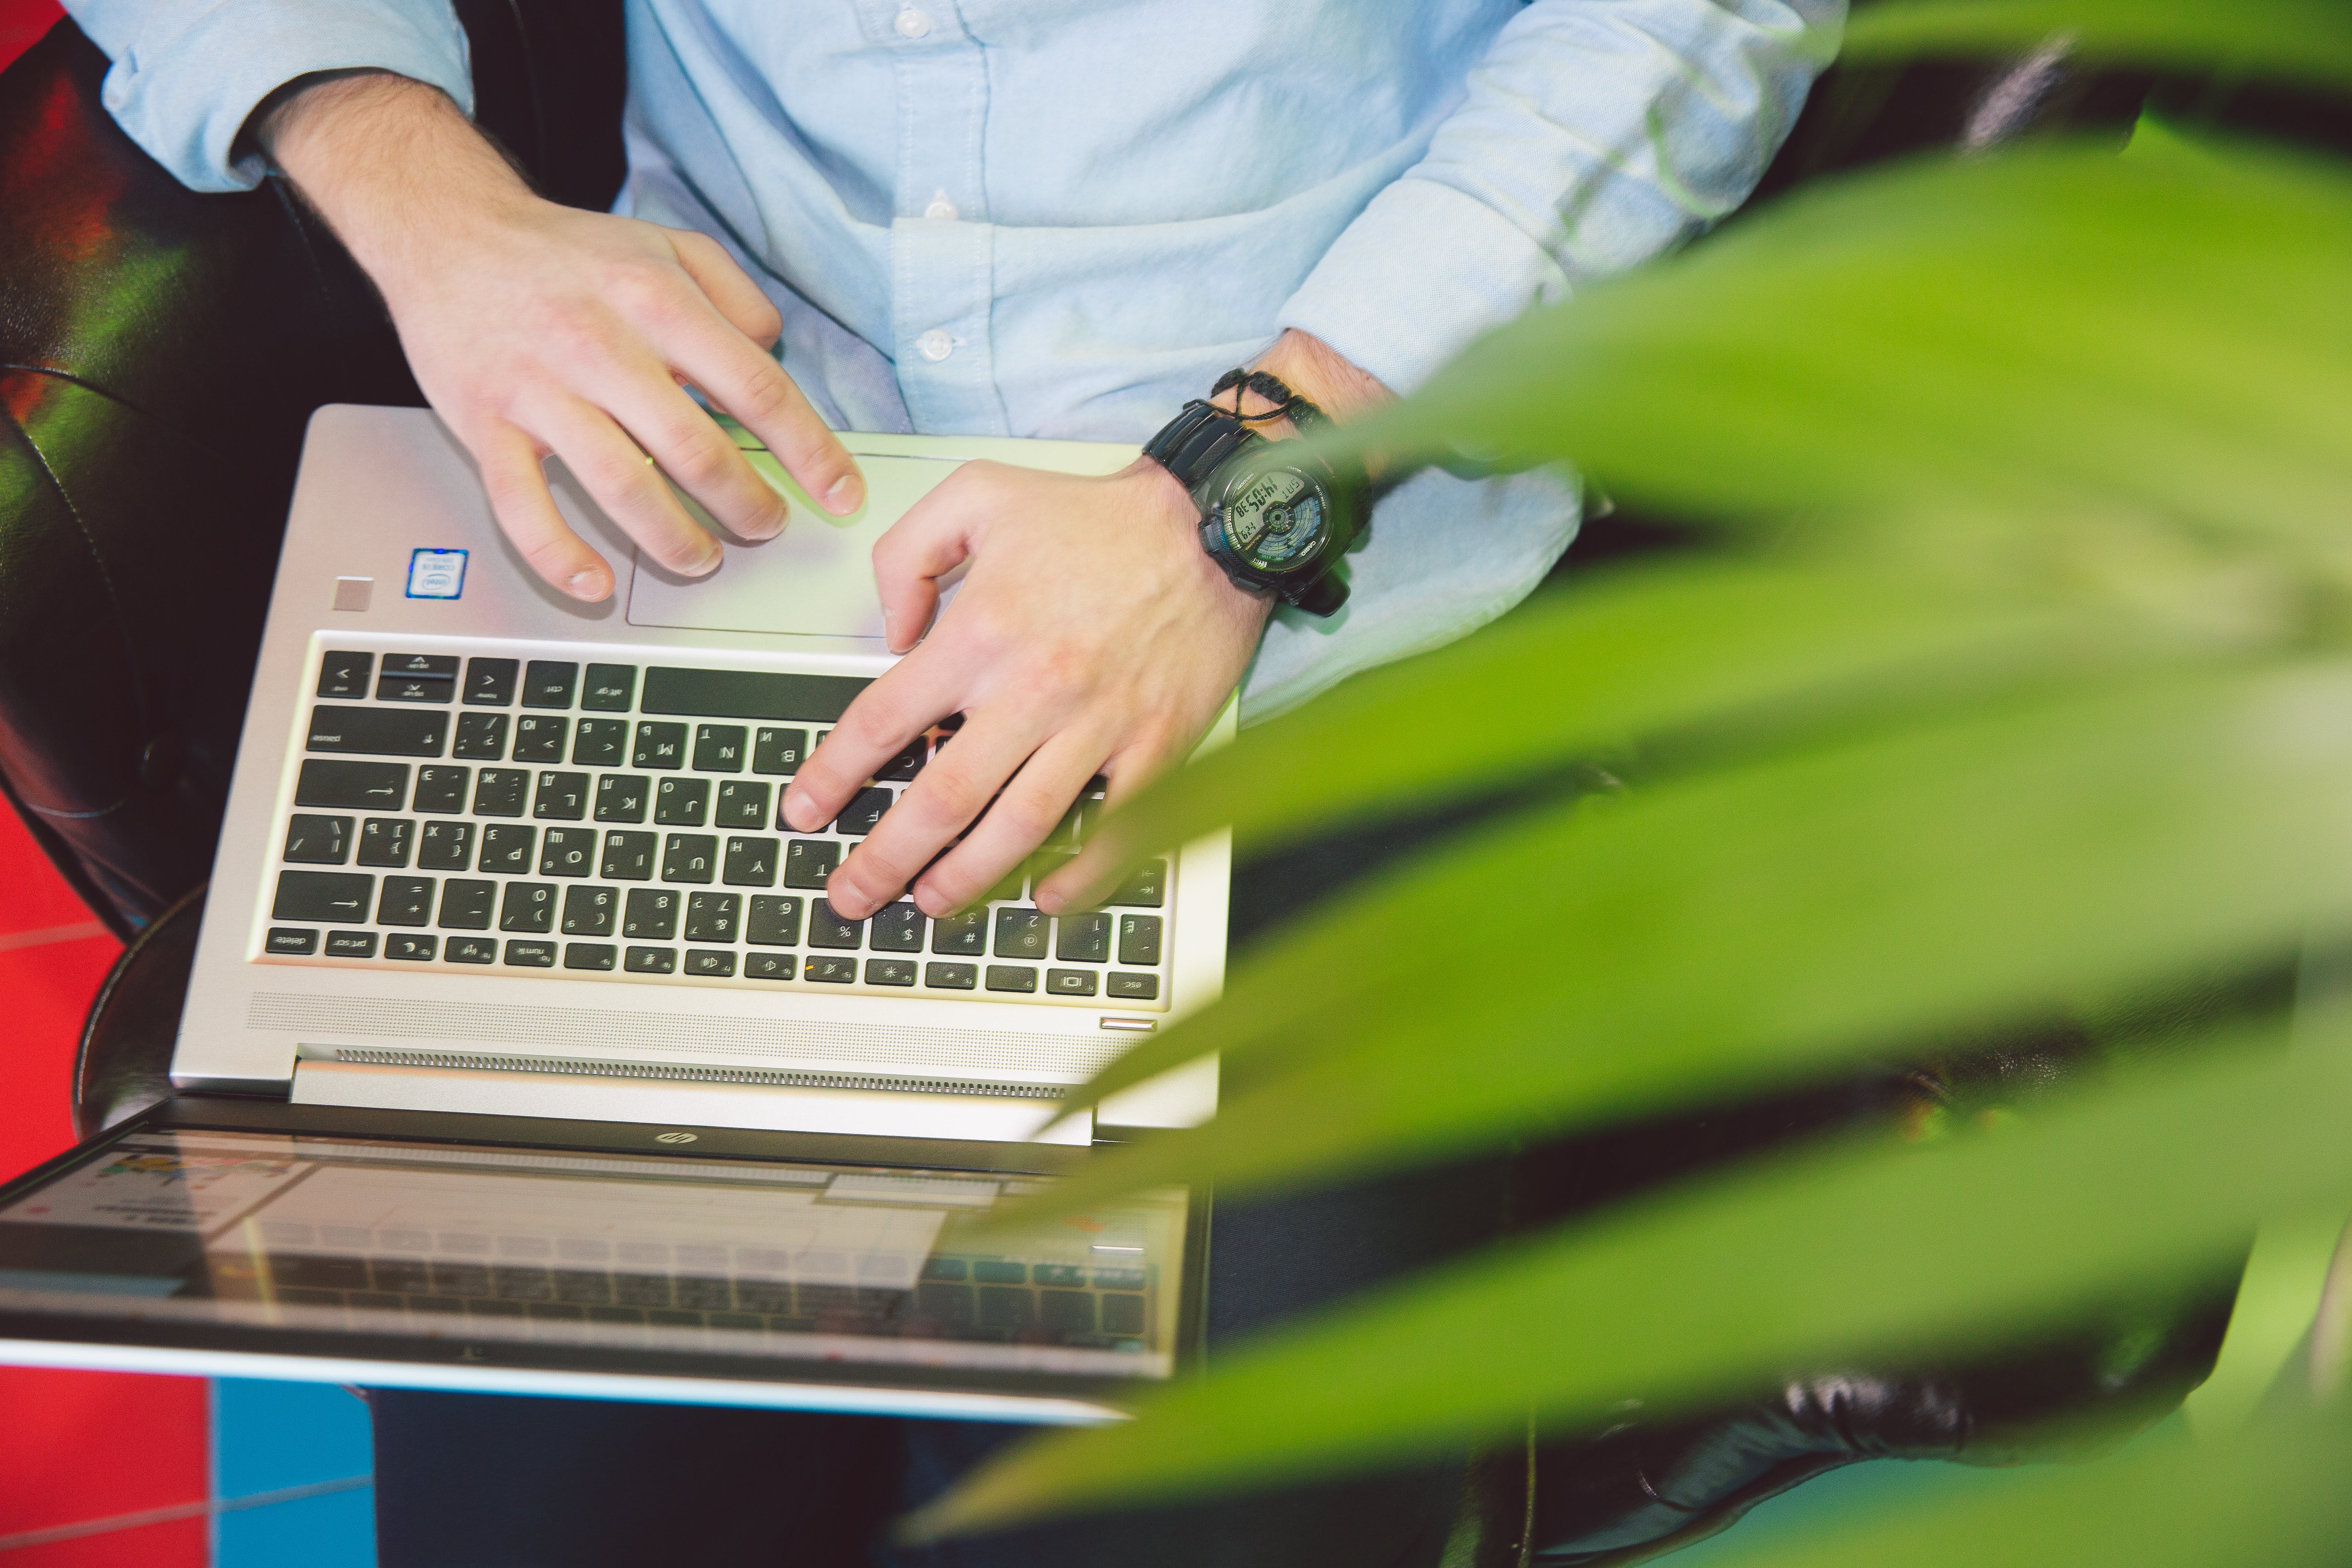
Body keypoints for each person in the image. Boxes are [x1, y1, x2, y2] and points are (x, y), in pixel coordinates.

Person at [60, 0, 1841, 1560]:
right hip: (733, 520)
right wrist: (427, 199)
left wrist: (1247, 480)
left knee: (1197, 1495)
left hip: (1330, 580)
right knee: (544, 1475)